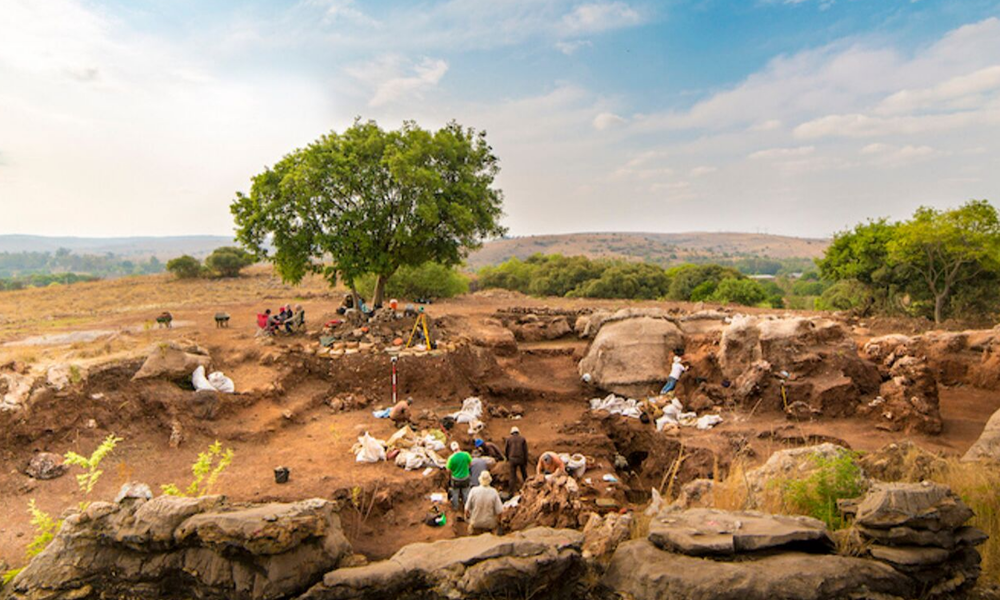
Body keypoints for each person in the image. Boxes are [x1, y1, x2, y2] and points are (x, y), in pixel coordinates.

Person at [446, 441, 472, 514]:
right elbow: (470, 464)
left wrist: (454, 470)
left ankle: (455, 509)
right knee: (466, 493)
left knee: (455, 494)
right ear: (459, 447)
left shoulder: (451, 458)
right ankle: (467, 508)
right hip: (465, 478)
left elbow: (448, 470)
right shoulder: (466, 455)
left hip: (456, 479)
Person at [504, 427, 528, 493]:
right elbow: (525, 451)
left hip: (512, 459)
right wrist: (525, 462)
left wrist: (507, 458)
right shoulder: (522, 439)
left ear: (511, 433)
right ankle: (528, 488)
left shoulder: (508, 439)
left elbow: (506, 450)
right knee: (524, 474)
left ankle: (511, 492)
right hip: (521, 459)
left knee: (512, 476)